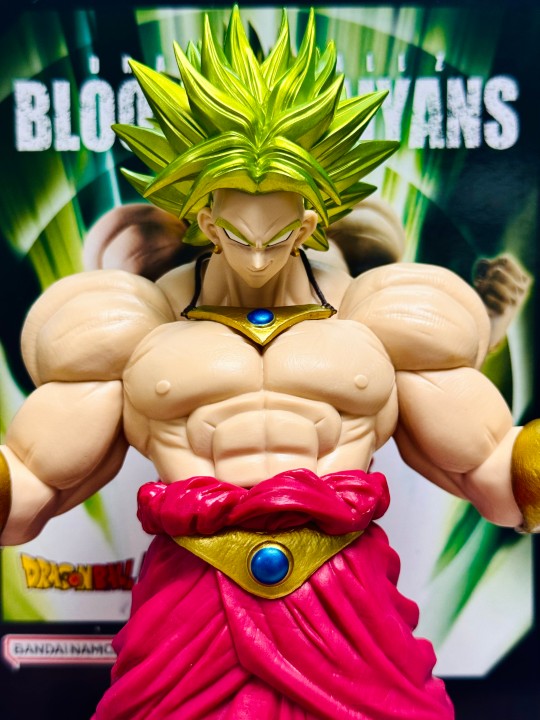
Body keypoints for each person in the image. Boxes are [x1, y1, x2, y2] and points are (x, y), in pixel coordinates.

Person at [0, 8, 537, 719]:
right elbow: (32, 484)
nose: (257, 258)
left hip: (347, 610)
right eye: (235, 231)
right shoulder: (127, 328)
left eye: (279, 233)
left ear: (310, 221)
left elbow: (494, 472)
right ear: (204, 219)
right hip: (189, 612)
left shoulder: (383, 322)